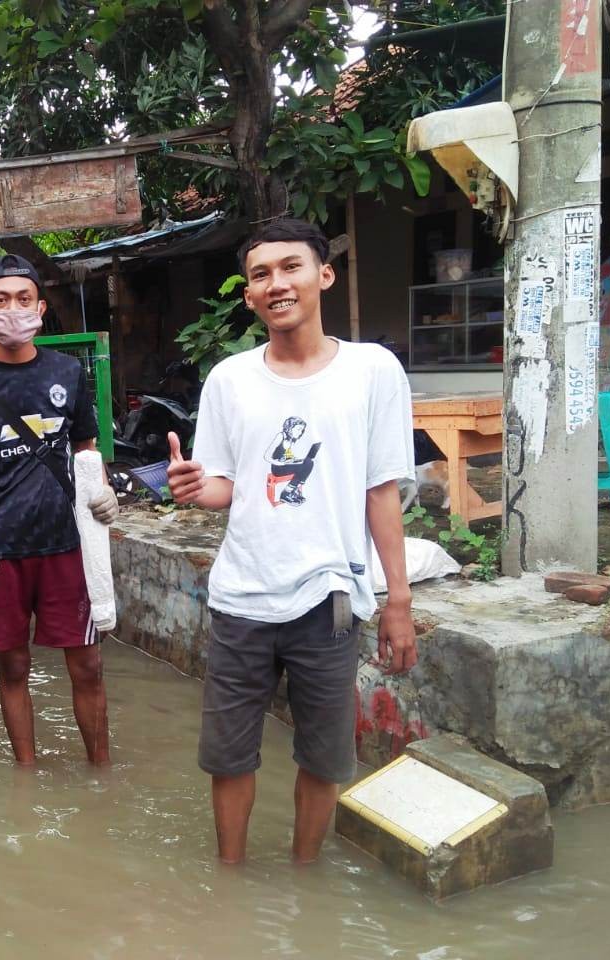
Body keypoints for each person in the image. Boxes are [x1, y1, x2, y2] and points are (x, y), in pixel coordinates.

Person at [165, 218, 417, 865]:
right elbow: (229, 485)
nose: (276, 283)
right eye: (260, 274)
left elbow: (380, 491)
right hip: (241, 596)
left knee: (326, 756)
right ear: (248, 294)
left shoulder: (372, 372)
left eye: (290, 267)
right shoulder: (229, 380)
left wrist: (398, 603)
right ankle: (230, 878)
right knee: (227, 755)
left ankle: (306, 873)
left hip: (329, 598)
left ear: (323, 275)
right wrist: (197, 487)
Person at [0, 254, 119, 766]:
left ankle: (101, 772)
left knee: (88, 666)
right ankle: (27, 775)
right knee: (13, 669)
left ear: (40, 307)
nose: (12, 309)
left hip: (66, 543)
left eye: (22, 299)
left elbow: (85, 450)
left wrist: (104, 492)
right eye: (1, 300)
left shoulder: (68, 373)